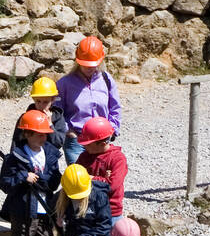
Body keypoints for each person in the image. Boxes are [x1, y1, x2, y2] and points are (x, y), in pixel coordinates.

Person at [0, 109, 63, 236]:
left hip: (44, 209)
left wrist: (45, 180)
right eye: (39, 134)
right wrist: (22, 177)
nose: (43, 138)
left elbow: (53, 181)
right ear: (27, 134)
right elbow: (4, 183)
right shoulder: (15, 157)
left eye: (45, 134)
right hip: (24, 209)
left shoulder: (50, 154)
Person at [56, 36, 121, 165]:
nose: (89, 68)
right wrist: (68, 131)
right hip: (76, 141)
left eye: (93, 64)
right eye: (85, 64)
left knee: (101, 181)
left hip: (102, 141)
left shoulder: (107, 80)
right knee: (79, 182)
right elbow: (57, 113)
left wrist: (112, 129)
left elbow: (115, 108)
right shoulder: (64, 84)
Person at [76, 116, 127, 218]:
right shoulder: (84, 156)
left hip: (110, 211)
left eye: (88, 144)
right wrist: (104, 179)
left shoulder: (118, 159)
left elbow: (112, 185)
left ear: (103, 144)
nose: (84, 146)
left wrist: (91, 179)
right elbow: (75, 176)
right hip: (87, 208)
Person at [10, 76, 67, 153]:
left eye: (45, 102)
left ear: (53, 100)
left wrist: (50, 125)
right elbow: (16, 142)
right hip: (27, 159)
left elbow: (58, 143)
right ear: (34, 99)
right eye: (38, 101)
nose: (41, 105)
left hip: (48, 160)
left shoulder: (58, 117)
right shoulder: (25, 117)